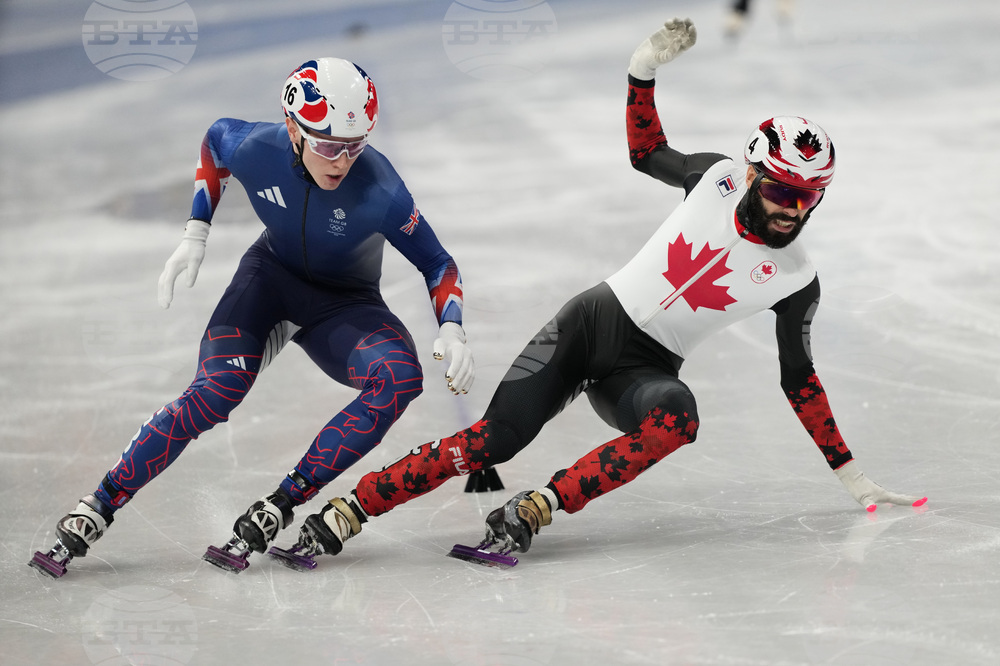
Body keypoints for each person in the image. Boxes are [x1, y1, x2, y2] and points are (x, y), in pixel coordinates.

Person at [279, 18, 925, 566]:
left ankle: (539, 507)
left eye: (808, 196)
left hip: (642, 372)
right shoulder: (717, 179)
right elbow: (647, 152)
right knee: (489, 443)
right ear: (754, 173)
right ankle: (350, 510)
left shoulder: (798, 280)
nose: (792, 209)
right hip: (590, 323)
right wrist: (642, 72)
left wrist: (851, 473)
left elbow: (800, 380)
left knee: (680, 419)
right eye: (782, 189)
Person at [29, 58, 475, 578]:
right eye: (330, 146)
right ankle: (100, 503)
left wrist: (452, 326)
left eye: (355, 145)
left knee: (400, 378)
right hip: (269, 281)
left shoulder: (380, 186)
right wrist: (197, 228)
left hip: (344, 305)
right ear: (293, 129)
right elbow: (215, 140)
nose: (343, 161)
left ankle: (282, 502)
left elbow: (438, 262)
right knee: (216, 391)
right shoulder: (256, 147)